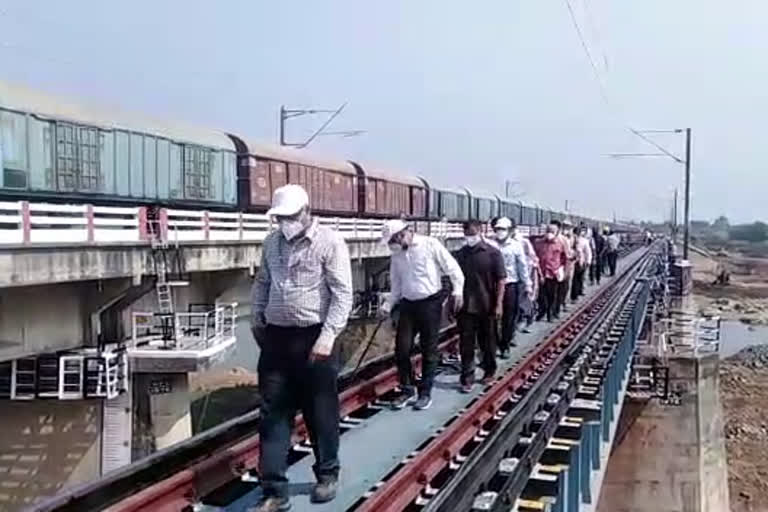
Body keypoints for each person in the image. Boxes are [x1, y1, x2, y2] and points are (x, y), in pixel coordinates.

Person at [250, 184, 353, 511]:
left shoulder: (330, 242)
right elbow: (262, 283)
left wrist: (328, 337)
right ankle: (274, 490)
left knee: (319, 411)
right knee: (272, 414)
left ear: (306, 212)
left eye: (290, 216)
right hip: (277, 338)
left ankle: (327, 474)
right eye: (280, 217)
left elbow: (342, 294)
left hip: (314, 339)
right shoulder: (271, 243)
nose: (285, 223)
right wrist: (257, 319)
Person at [381, 219, 465, 411]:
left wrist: (457, 291)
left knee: (429, 349)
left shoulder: (430, 244)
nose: (394, 244)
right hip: (408, 304)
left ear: (405, 233)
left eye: (395, 239)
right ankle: (407, 388)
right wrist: (388, 304)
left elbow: (452, 269)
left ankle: (425, 393)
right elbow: (396, 284)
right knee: (401, 349)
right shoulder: (397, 256)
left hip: (430, 302)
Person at [454, 220, 506, 392]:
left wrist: (498, 304)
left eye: (472, 233)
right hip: (466, 306)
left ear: (481, 231)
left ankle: (489, 371)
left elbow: (501, 280)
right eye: (467, 234)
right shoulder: (461, 255)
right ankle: (467, 378)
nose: (470, 237)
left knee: (488, 342)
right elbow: (453, 279)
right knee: (466, 344)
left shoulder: (493, 253)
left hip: (487, 305)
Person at [489, 217, 531, 358]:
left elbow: (522, 266)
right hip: (493, 285)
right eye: (498, 229)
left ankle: (505, 345)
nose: (500, 232)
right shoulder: (490, 244)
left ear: (509, 231)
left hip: (511, 284)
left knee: (509, 317)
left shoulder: (515, 245)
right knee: (491, 317)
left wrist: (527, 284)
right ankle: (493, 343)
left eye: (503, 229)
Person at [535, 223, 567, 322]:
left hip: (553, 273)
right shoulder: (539, 243)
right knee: (541, 295)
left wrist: (562, 269)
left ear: (556, 233)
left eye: (552, 232)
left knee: (552, 295)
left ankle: (550, 314)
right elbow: (536, 255)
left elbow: (565, 257)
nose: (550, 233)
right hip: (542, 272)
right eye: (548, 231)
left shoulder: (560, 244)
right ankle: (542, 312)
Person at [514, 227, 539, 333]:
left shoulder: (523, 241)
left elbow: (533, 258)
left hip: (525, 274)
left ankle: (526, 319)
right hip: (512, 276)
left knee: (525, 299)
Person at [555, 220, 576, 313]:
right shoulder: (560, 238)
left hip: (568, 264)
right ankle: (557, 304)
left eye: (568, 227)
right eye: (565, 226)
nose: (566, 229)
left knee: (566, 285)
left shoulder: (573, 238)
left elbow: (574, 251)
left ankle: (563, 302)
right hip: (559, 264)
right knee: (558, 286)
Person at [572, 226, 592, 300]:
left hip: (580, 262)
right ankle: (576, 294)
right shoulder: (572, 240)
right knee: (578, 279)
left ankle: (577, 293)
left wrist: (588, 261)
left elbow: (588, 252)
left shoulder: (584, 241)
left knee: (579, 278)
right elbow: (588, 252)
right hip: (575, 262)